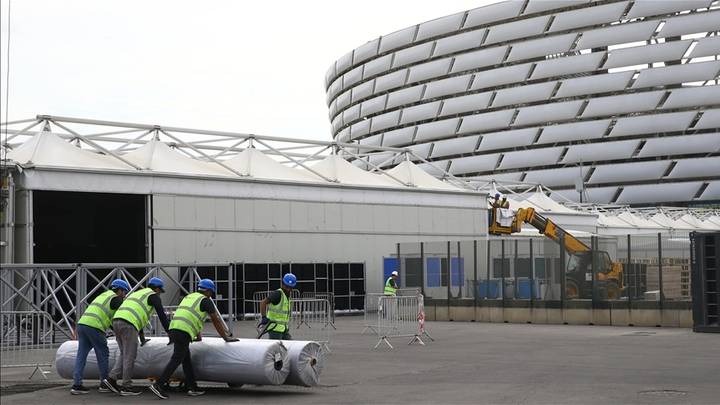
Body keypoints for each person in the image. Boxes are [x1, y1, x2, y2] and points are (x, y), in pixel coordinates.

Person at [149, 279, 238, 400]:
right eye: (211, 292)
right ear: (207, 291)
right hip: (183, 332)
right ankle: (158, 385)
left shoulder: (189, 297)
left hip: (174, 328)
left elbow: (191, 316)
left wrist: (198, 335)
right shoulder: (205, 301)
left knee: (186, 360)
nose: (211, 295)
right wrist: (225, 337)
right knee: (177, 358)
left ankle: (192, 387)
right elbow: (216, 320)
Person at [106, 277, 169, 396]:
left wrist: (142, 338)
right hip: (128, 325)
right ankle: (126, 386)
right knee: (130, 355)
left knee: (124, 353)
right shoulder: (153, 296)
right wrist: (169, 331)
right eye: (160, 291)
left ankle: (111, 379)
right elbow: (161, 314)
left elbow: (135, 314)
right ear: (156, 289)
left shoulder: (138, 294)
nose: (160, 294)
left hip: (117, 322)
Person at [70, 279, 130, 395]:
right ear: (119, 290)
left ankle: (77, 385)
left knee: (81, 355)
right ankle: (104, 383)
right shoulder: (116, 298)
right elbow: (122, 315)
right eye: (124, 292)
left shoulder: (103, 295)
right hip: (95, 326)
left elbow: (108, 317)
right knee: (103, 353)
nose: (124, 295)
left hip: (82, 325)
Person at [259, 273, 296, 340]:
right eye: (287, 287)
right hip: (274, 329)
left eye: (290, 287)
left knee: (289, 346)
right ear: (283, 284)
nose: (288, 289)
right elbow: (263, 303)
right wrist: (264, 317)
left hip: (283, 329)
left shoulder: (286, 296)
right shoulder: (278, 294)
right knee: (276, 349)